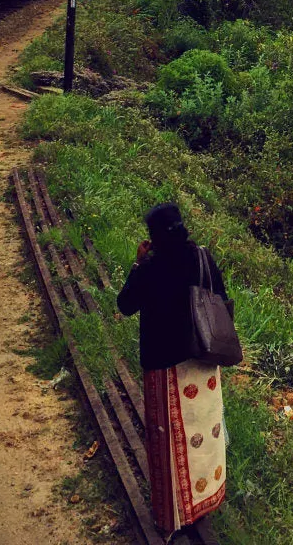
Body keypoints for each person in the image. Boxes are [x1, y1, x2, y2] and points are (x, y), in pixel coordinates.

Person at [117, 203, 228, 544]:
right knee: (203, 438)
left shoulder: (151, 266)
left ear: (153, 236)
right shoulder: (203, 258)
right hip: (203, 363)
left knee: (168, 443)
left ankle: (173, 516)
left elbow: (125, 304)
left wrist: (137, 262)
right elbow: (223, 299)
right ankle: (204, 499)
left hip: (166, 370)